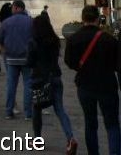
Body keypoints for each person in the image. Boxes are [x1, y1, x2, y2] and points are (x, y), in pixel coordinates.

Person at [65, 5, 119, 155]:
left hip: (85, 85)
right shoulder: (109, 40)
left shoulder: (74, 39)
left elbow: (69, 62)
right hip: (107, 85)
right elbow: (117, 64)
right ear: (98, 19)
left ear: (83, 19)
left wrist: (81, 67)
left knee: (90, 123)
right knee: (112, 124)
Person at [28, 14, 77, 155]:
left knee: (36, 109)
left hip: (39, 79)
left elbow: (29, 62)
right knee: (60, 109)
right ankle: (70, 138)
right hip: (55, 76)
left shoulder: (33, 42)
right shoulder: (54, 40)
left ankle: (37, 140)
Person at [0, 0, 33, 120]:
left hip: (11, 58)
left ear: (17, 8)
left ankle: (9, 111)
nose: (12, 10)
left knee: (11, 85)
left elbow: (1, 40)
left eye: (13, 8)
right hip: (27, 58)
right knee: (28, 85)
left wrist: (5, 51)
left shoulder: (6, 22)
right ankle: (28, 113)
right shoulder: (31, 22)